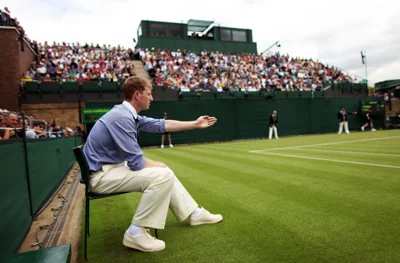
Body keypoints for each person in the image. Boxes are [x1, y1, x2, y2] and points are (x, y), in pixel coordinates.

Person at [83, 76, 222, 253]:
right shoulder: (121, 117)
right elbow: (136, 162)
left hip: (110, 169)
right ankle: (135, 232)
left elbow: (161, 125)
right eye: (149, 94)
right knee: (162, 173)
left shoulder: (126, 114)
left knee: (163, 171)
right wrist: (159, 165)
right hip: (101, 177)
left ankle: (194, 213)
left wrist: (194, 124)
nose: (152, 98)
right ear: (137, 95)